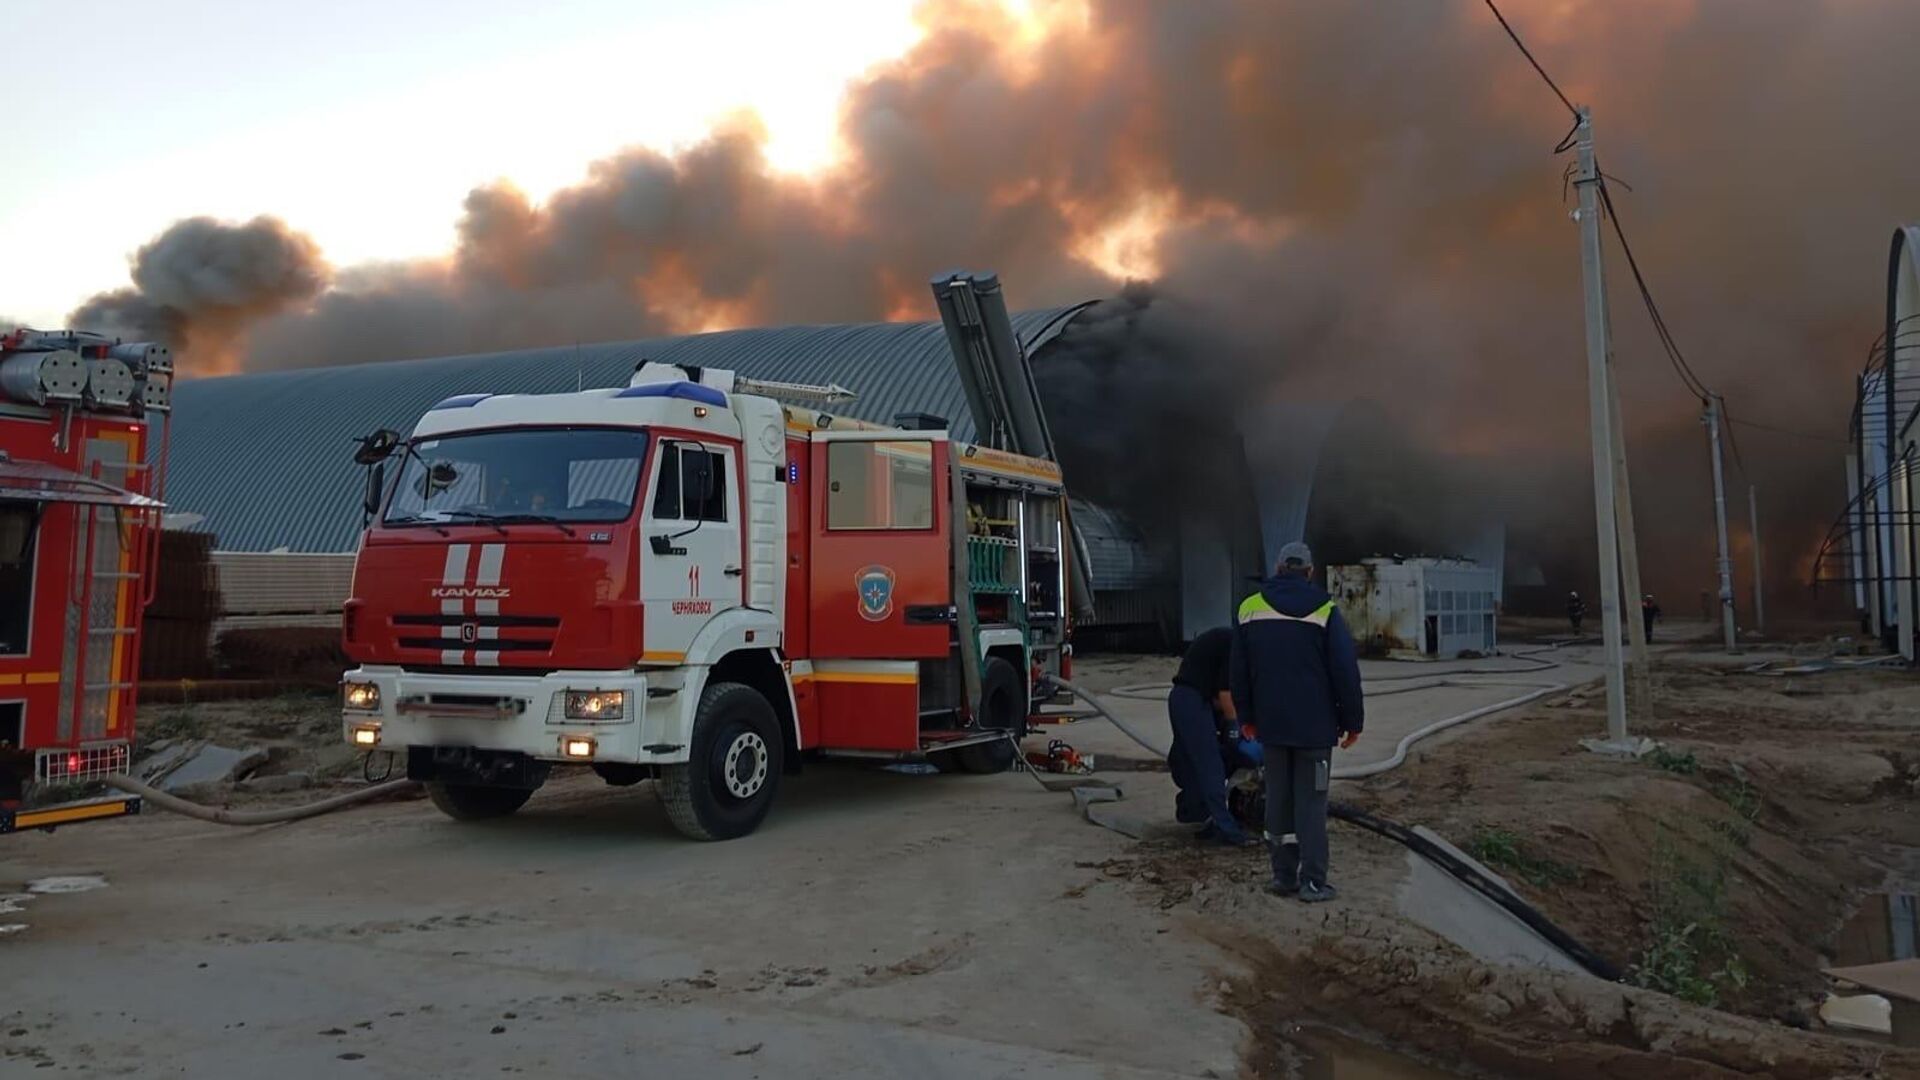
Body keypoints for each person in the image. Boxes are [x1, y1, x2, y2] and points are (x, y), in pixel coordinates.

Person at [1232, 541, 1364, 903]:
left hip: (1271, 728)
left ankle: (1283, 877)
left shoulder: (1249, 609)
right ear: (1309, 571)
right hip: (1315, 731)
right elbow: (1344, 671)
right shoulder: (1325, 610)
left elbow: (1239, 670)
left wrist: (1246, 718)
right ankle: (1314, 883)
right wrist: (1353, 721)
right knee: (1312, 803)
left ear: (1277, 568)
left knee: (1278, 800)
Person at [1167, 627, 1257, 846]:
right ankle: (1226, 829)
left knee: (1196, 759)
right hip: (1191, 699)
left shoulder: (1235, 643)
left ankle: (1196, 811)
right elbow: (1225, 694)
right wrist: (1237, 729)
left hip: (1192, 699)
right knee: (1210, 764)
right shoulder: (1235, 644)